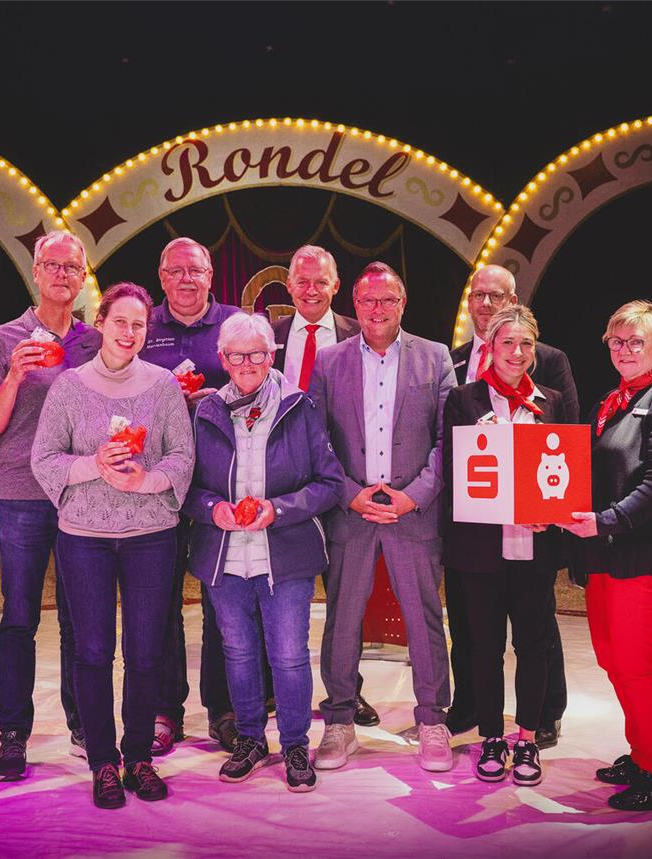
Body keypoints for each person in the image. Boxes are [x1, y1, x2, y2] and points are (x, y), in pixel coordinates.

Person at [32, 282, 194, 808]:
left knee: (146, 653)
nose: (129, 333)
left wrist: (144, 481)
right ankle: (104, 761)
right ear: (100, 322)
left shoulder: (164, 386)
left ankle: (139, 756)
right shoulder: (69, 387)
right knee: (93, 651)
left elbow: (182, 458)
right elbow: (44, 459)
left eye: (139, 324)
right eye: (120, 321)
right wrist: (91, 466)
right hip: (84, 539)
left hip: (150, 537)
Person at [186, 313, 344, 792]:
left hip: (286, 555)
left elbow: (330, 484)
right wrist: (212, 508)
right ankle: (251, 738)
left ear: (271, 354)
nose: (248, 363)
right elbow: (187, 486)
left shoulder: (299, 407)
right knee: (237, 651)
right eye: (237, 355)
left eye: (257, 353)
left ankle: (295, 743)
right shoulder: (206, 410)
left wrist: (278, 508)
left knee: (289, 655)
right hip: (226, 555)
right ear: (223, 360)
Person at [309, 262, 456, 773]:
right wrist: (349, 494)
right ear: (354, 303)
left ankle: (433, 720)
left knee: (423, 616)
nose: (377, 309)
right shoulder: (330, 361)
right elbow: (316, 440)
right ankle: (340, 722)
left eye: (387, 299)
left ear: (403, 302)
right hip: (351, 513)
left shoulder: (435, 357)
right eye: (368, 300)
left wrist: (415, 495)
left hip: (413, 511)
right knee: (342, 619)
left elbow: (449, 439)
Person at [563, 299, 652, 811]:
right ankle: (642, 753)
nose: (623, 350)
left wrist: (606, 520)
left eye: (635, 341)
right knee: (611, 657)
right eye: (616, 341)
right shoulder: (618, 398)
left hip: (637, 551)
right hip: (605, 548)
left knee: (635, 662)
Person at [0, 230, 101, 780]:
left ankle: (84, 724)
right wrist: (14, 375)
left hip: (80, 493)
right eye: (53, 265)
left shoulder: (96, 341)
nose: (63, 275)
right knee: (19, 617)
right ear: (35, 271)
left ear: (83, 275)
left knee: (80, 620)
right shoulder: (4, 339)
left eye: (73, 267)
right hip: (22, 495)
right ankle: (14, 734)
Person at [446, 264, 577, 746]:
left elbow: (568, 453)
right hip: (479, 545)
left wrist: (554, 511)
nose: (516, 352)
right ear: (491, 348)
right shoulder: (460, 383)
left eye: (524, 345)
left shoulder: (553, 388)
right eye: (506, 345)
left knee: (535, 639)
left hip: (535, 543)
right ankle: (485, 727)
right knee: (480, 642)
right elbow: (452, 464)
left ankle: (536, 722)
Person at [140, 237, 241, 756]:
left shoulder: (235, 324)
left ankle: (223, 709)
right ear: (162, 276)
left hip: (218, 483)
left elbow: (258, 387)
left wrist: (216, 400)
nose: (186, 279)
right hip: (155, 485)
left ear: (210, 275)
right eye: (176, 270)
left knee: (220, 597)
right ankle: (164, 709)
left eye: (195, 270)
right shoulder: (143, 326)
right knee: (160, 601)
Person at [271, 245, 378, 727]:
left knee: (346, 595)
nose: (310, 290)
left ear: (336, 286)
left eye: (321, 282)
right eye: (301, 281)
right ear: (288, 285)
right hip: (281, 487)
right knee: (271, 591)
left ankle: (345, 691)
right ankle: (275, 691)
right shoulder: (266, 338)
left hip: (343, 484)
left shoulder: (362, 336)